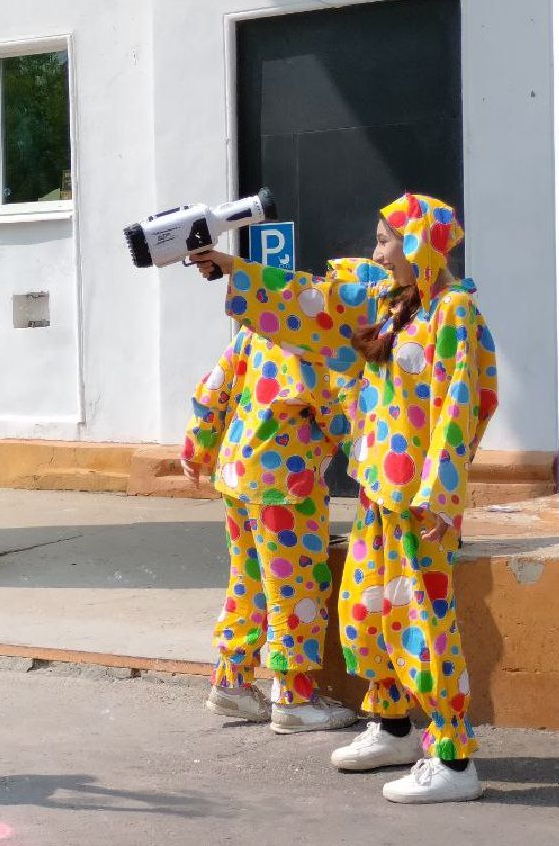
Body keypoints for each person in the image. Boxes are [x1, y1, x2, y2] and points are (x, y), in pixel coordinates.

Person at [196, 192, 498, 803]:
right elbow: (320, 299)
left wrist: (441, 495)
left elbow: (463, 407)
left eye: (387, 240)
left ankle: (452, 755)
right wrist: (232, 269)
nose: (377, 251)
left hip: (418, 501)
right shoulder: (389, 307)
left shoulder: (453, 315)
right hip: (376, 493)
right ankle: (388, 724)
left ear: (419, 249)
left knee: (423, 619)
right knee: (366, 608)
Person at [182, 328, 357, 733]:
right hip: (285, 484)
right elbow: (339, 413)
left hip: (237, 473)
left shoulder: (256, 329)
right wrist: (377, 465)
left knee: (249, 580)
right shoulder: (318, 340)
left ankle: (231, 680)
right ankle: (293, 697)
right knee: (296, 588)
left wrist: (197, 448)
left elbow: (213, 390)